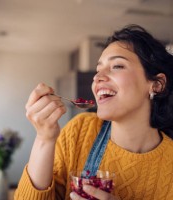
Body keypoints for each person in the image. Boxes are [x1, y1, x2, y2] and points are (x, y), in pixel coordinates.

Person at [14, 24, 173, 200]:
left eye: (117, 66)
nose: (97, 77)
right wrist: (44, 139)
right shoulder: (80, 130)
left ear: (157, 84)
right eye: (98, 70)